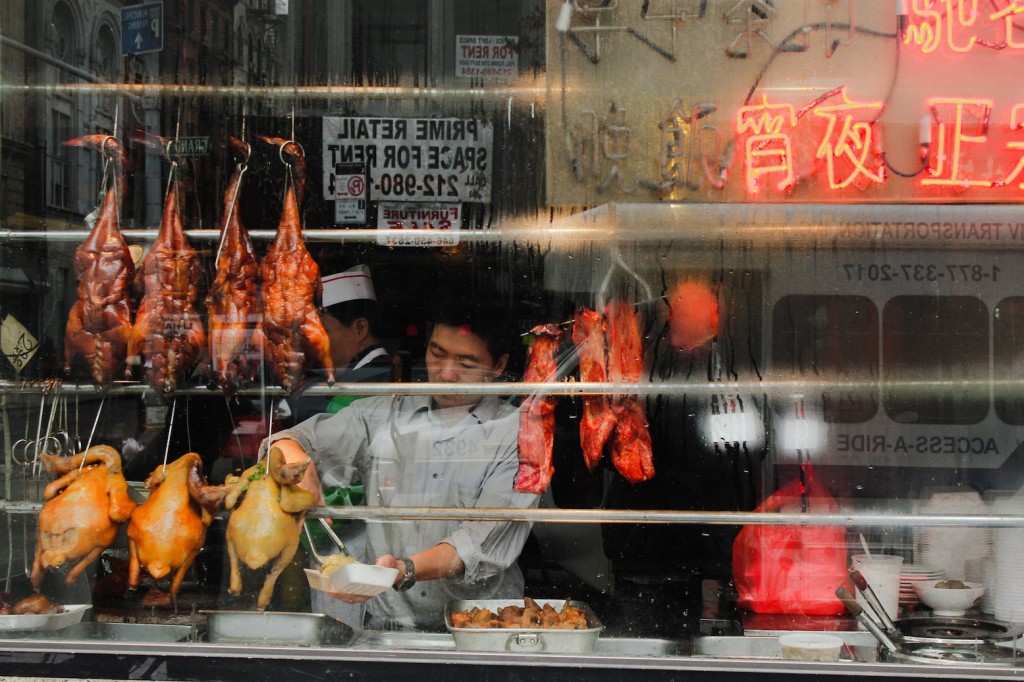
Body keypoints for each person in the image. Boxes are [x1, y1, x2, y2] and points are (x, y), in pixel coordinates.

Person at [264, 299, 538, 630]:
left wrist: (403, 569)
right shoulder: (386, 414)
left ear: (499, 366)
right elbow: (294, 440)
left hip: (482, 626)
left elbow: (481, 541)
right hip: (389, 625)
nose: (446, 374)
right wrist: (295, 458)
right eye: (437, 354)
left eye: (466, 363)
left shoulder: (518, 433)